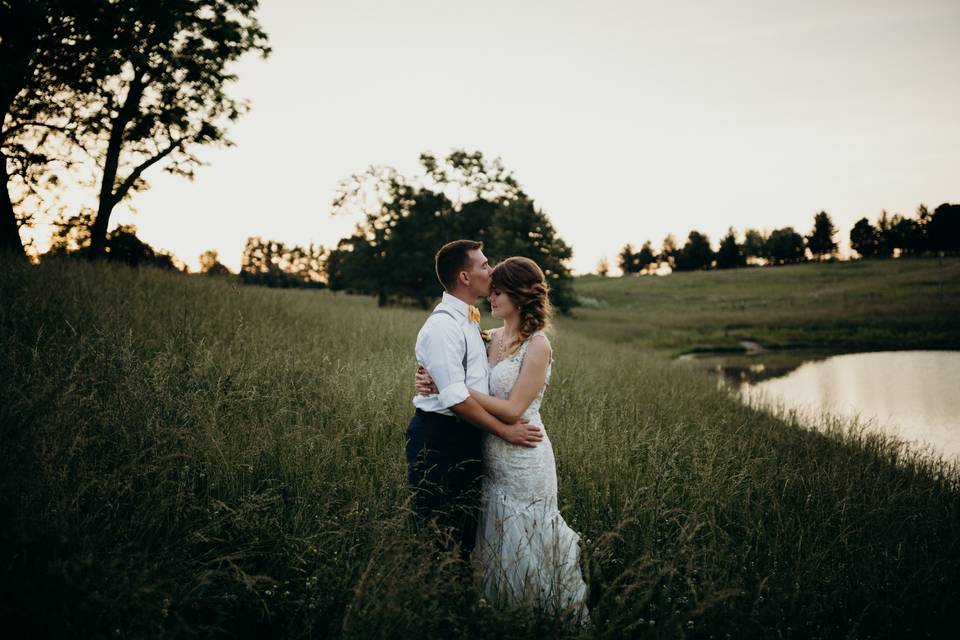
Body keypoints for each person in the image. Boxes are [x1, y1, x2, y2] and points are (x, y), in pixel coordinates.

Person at [416, 256, 589, 622]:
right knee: (496, 533)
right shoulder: (487, 337)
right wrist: (429, 379)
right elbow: (446, 361)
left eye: (498, 292)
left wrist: (454, 388)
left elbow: (512, 410)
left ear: (521, 295)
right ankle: (505, 616)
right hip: (491, 454)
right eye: (490, 290)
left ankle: (545, 616)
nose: (490, 298)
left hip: (525, 453)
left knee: (528, 534)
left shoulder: (537, 345)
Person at [406, 240, 543, 561]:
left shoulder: (473, 324)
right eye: (484, 265)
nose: (491, 270)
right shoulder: (443, 326)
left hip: (469, 436)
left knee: (465, 534)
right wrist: (505, 431)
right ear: (465, 278)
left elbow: (461, 380)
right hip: (440, 439)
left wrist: (437, 381)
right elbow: (454, 397)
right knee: (439, 535)